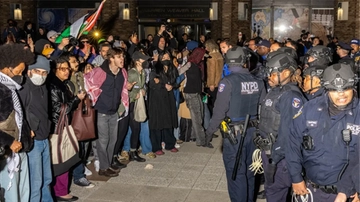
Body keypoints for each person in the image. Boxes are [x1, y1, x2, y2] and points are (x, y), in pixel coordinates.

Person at [288, 63, 359, 202]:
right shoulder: (310, 108)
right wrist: (295, 177)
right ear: (326, 89)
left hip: (346, 192)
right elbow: (293, 142)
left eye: (346, 88)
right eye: (335, 90)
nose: (341, 94)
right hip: (312, 189)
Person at [206, 47, 266, 202]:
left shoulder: (227, 82)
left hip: (235, 137)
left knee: (236, 175)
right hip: (254, 134)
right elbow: (264, 108)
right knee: (250, 173)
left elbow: (219, 112)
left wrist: (209, 132)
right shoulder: (258, 82)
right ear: (245, 61)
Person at [254, 52, 306, 202]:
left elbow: (288, 133)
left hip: (280, 158)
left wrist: (274, 158)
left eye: (272, 73)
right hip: (271, 154)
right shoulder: (277, 91)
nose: (268, 77)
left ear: (286, 73)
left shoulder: (290, 96)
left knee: (275, 195)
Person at [84, 48, 131, 177]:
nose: (122, 59)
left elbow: (123, 89)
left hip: (113, 111)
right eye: (118, 57)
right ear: (111, 59)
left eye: (122, 56)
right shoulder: (100, 71)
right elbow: (87, 81)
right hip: (101, 111)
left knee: (113, 140)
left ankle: (108, 164)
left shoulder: (123, 72)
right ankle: (103, 167)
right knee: (103, 140)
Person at [0, 44, 34, 202]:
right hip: (6, 154)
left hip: (20, 149)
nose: (22, 75)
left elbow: (17, 116)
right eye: (19, 72)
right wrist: (8, 141)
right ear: (7, 68)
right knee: (11, 195)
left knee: (23, 192)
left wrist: (26, 131)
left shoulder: (10, 87)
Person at [50, 55, 85, 201]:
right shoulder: (53, 85)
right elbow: (59, 109)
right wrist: (77, 99)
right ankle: (60, 191)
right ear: (55, 69)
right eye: (62, 69)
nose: (66, 72)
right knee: (61, 159)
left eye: (67, 69)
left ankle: (61, 190)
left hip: (64, 124)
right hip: (57, 127)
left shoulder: (64, 83)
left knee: (67, 157)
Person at [18, 55, 53, 202]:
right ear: (30, 71)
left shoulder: (43, 86)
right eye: (38, 71)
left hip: (44, 137)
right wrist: (27, 129)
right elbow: (19, 111)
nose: (41, 76)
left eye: (45, 73)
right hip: (34, 140)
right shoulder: (24, 88)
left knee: (47, 178)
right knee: (35, 181)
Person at [148, 51, 179, 155]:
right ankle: (156, 146)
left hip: (168, 98)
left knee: (168, 120)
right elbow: (152, 83)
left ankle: (170, 143)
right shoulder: (155, 69)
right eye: (164, 57)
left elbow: (175, 81)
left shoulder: (172, 69)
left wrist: (172, 86)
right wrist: (163, 85)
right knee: (157, 122)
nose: (166, 58)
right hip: (157, 99)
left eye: (167, 56)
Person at [204, 39, 224, 115]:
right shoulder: (219, 55)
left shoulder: (211, 57)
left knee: (211, 104)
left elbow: (211, 71)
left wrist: (211, 83)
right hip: (219, 81)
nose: (205, 49)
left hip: (213, 83)